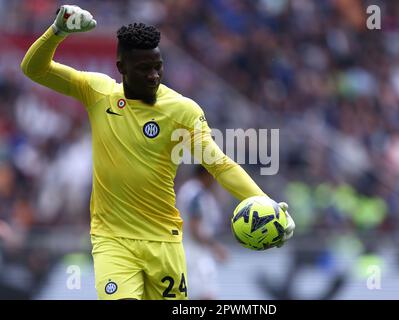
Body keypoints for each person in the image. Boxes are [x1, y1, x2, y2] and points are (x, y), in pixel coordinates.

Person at [20, 5, 295, 300]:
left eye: (158, 66)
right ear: (121, 66)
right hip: (113, 240)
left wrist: (266, 203)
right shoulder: (98, 92)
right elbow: (33, 68)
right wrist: (57, 32)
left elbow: (219, 165)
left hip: (164, 241)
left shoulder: (182, 110)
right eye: (143, 68)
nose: (153, 75)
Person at [177, 166, 229, 299]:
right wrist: (215, 247)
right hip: (196, 254)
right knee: (206, 295)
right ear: (208, 174)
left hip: (187, 250)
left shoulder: (188, 190)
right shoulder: (197, 194)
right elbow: (195, 228)